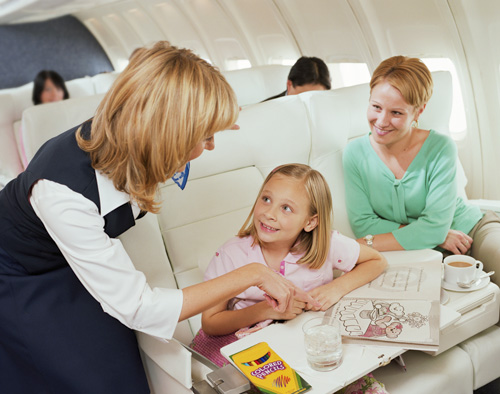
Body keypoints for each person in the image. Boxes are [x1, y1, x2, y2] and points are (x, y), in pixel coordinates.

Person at [0, 42, 316, 394]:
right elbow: (140, 308)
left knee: (122, 363)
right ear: (168, 134)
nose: (209, 147)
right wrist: (252, 274)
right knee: (81, 378)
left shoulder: (132, 144)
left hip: (78, 257)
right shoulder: (61, 193)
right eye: (205, 136)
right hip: (22, 274)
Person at [191, 163, 387, 368]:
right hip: (244, 341)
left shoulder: (328, 245)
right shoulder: (231, 254)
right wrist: (266, 310)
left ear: (310, 222)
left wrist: (336, 288)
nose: (269, 213)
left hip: (300, 339)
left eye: (286, 208)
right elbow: (210, 322)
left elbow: (376, 261)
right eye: (266, 199)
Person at [343, 55, 500, 283]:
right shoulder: (354, 154)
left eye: (396, 113)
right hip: (425, 250)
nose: (381, 121)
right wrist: (435, 234)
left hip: (472, 232)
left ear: (418, 112)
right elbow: (364, 224)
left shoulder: (441, 148)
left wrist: (433, 231)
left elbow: (431, 227)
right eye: (376, 107)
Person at [263, 56, 331, 101]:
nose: (310, 102)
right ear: (289, 85)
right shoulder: (265, 109)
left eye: (316, 97)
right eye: (304, 96)